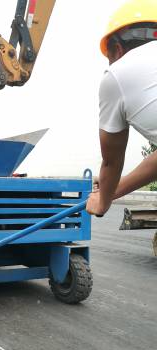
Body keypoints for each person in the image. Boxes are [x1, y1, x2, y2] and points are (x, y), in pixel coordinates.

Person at [86, 0, 157, 216]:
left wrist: (102, 203)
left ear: (117, 49)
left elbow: (111, 161)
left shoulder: (117, 74)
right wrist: (111, 189)